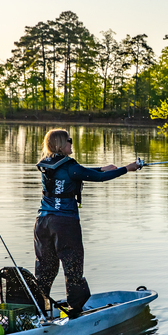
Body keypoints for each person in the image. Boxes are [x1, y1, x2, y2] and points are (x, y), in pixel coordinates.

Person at [34, 128, 139, 318]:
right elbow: (95, 177)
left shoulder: (48, 165)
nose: (71, 143)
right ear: (60, 144)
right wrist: (127, 169)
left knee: (45, 268)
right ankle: (76, 309)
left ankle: (38, 307)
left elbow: (82, 173)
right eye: (69, 140)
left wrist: (102, 168)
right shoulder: (69, 166)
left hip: (42, 222)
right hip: (64, 223)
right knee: (72, 265)